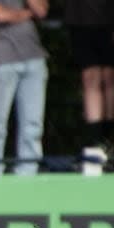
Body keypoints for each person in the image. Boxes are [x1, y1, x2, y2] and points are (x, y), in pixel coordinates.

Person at [0, 0, 48, 176]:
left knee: (33, 122)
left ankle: (29, 170)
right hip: (2, 58)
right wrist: (26, 14)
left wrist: (23, 13)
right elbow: (0, 15)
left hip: (34, 57)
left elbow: (41, 10)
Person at [64, 1, 114, 152]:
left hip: (108, 19)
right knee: (90, 78)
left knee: (109, 78)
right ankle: (95, 140)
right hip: (82, 22)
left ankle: (109, 136)